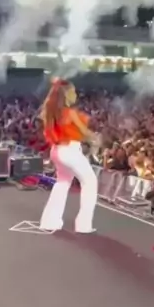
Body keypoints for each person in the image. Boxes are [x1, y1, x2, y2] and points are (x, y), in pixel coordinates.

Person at [38, 79, 98, 233]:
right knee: (90, 182)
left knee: (62, 183)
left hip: (57, 151)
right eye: (73, 92)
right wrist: (96, 139)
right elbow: (85, 133)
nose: (76, 95)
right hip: (70, 151)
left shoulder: (52, 113)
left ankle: (50, 221)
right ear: (66, 94)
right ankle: (84, 225)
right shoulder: (70, 113)